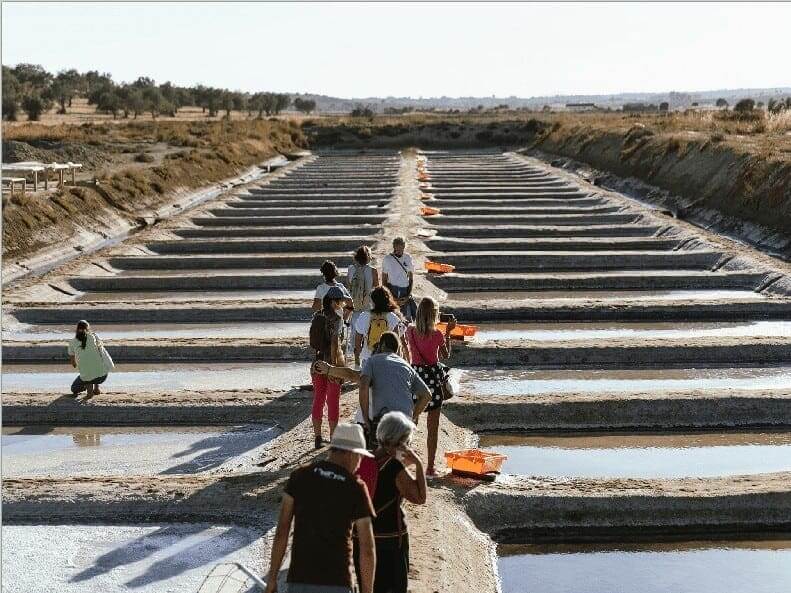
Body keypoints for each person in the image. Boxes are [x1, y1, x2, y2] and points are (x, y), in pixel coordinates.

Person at [265, 423, 377, 593]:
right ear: (349, 454)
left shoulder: (299, 476)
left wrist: (272, 578)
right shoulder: (355, 488)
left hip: (300, 580)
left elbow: (282, 529)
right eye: (359, 457)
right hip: (338, 582)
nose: (359, 464)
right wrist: (367, 591)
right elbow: (367, 548)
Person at [354, 412, 426, 593]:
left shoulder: (364, 458)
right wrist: (418, 464)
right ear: (400, 441)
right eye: (407, 442)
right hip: (390, 539)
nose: (408, 445)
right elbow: (419, 498)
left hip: (360, 537)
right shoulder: (395, 467)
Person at [406, 297, 456, 476]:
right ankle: (430, 467)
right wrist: (449, 332)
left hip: (415, 378)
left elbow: (408, 353)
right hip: (434, 380)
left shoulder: (409, 331)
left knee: (412, 421)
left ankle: (406, 463)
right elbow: (446, 355)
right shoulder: (437, 335)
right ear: (434, 314)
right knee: (432, 429)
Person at [359, 332, 431, 444]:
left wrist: (365, 418)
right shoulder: (406, 365)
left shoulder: (372, 360)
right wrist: (413, 416)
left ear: (382, 345)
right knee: (399, 458)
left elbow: (363, 386)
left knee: (378, 456)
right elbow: (426, 395)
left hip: (385, 421)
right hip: (404, 422)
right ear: (396, 349)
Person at [309, 286, 347, 450]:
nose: (342, 304)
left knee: (318, 399)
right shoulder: (336, 320)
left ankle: (318, 437)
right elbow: (335, 344)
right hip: (330, 365)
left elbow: (314, 342)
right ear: (332, 302)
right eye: (340, 301)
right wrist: (336, 368)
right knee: (333, 402)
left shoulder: (317, 316)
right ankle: (333, 439)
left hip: (317, 364)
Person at [354, 286, 408, 366]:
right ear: (387, 300)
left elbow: (357, 343)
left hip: (368, 358)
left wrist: (358, 359)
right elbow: (399, 343)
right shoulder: (393, 318)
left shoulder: (364, 316)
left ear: (372, 301)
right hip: (387, 360)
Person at [347, 245, 379, 357]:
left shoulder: (351, 269)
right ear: (368, 257)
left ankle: (356, 362)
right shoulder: (373, 271)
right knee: (368, 336)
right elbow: (377, 292)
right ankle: (367, 361)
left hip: (355, 308)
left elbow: (349, 289)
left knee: (355, 335)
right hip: (368, 308)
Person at [67, 320, 112, 396]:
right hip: (103, 375)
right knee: (95, 364)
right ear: (88, 328)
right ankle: (96, 389)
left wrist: (76, 364)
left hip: (88, 375)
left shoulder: (72, 342)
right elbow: (101, 348)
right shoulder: (93, 336)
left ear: (77, 329)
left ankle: (89, 393)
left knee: (75, 387)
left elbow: (73, 362)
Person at [381, 238, 416, 322]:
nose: (400, 249)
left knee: (406, 320)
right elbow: (384, 280)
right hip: (392, 290)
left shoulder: (408, 258)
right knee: (393, 318)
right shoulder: (387, 259)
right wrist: (390, 297)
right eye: (398, 247)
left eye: (402, 247)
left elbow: (411, 278)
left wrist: (408, 295)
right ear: (394, 247)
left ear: (404, 246)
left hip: (405, 291)